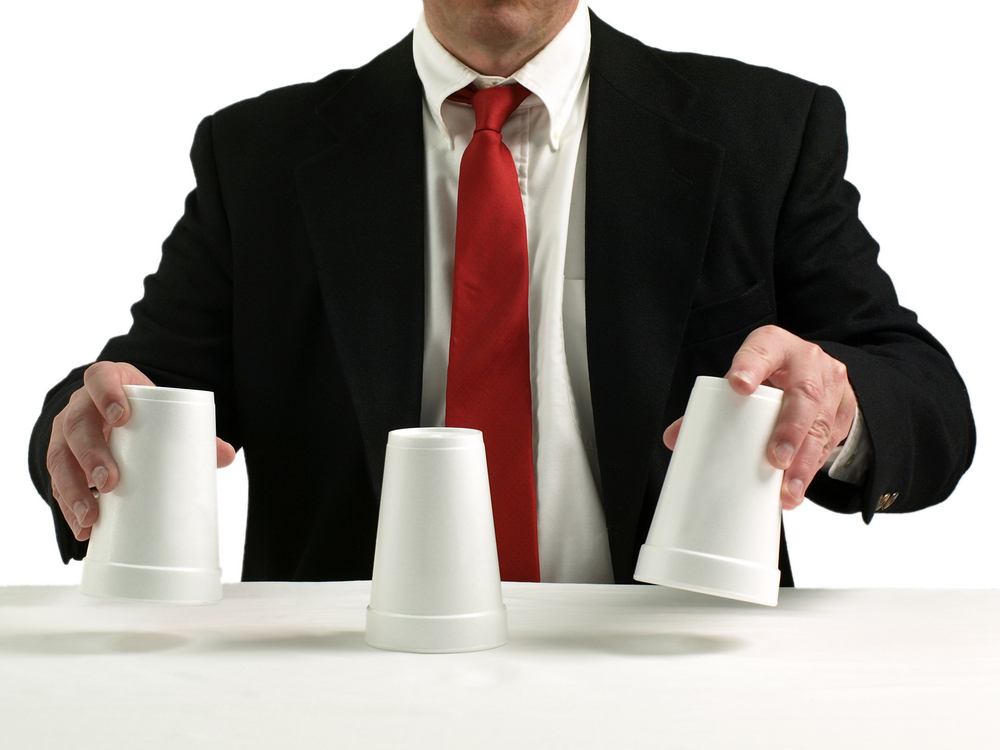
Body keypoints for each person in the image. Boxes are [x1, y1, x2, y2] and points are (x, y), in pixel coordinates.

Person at [29, 0, 975, 584]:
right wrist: (84, 427)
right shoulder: (259, 156)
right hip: (342, 688)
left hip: (676, 683)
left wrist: (838, 411)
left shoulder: (765, 131)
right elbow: (136, 387)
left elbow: (927, 400)